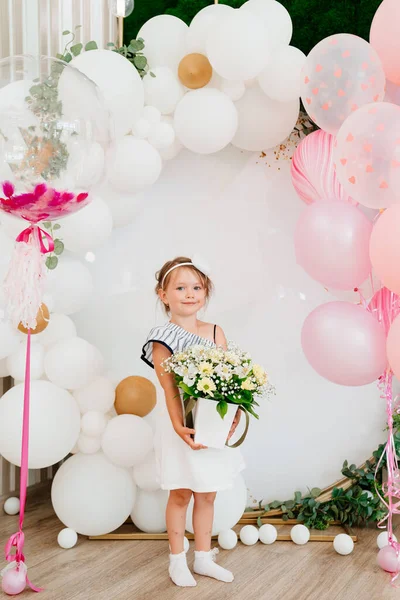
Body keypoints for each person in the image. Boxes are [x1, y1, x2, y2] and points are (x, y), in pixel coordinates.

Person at [141, 256, 245, 588]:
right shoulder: (162, 336)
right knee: (182, 492)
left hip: (210, 424)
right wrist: (178, 425)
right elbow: (169, 385)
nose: (190, 294)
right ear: (163, 294)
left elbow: (230, 381)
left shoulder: (215, 332)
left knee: (207, 492)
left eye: (197, 287)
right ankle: (176, 560)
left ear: (206, 292)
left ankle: (203, 558)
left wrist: (235, 414)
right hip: (179, 424)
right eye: (181, 288)